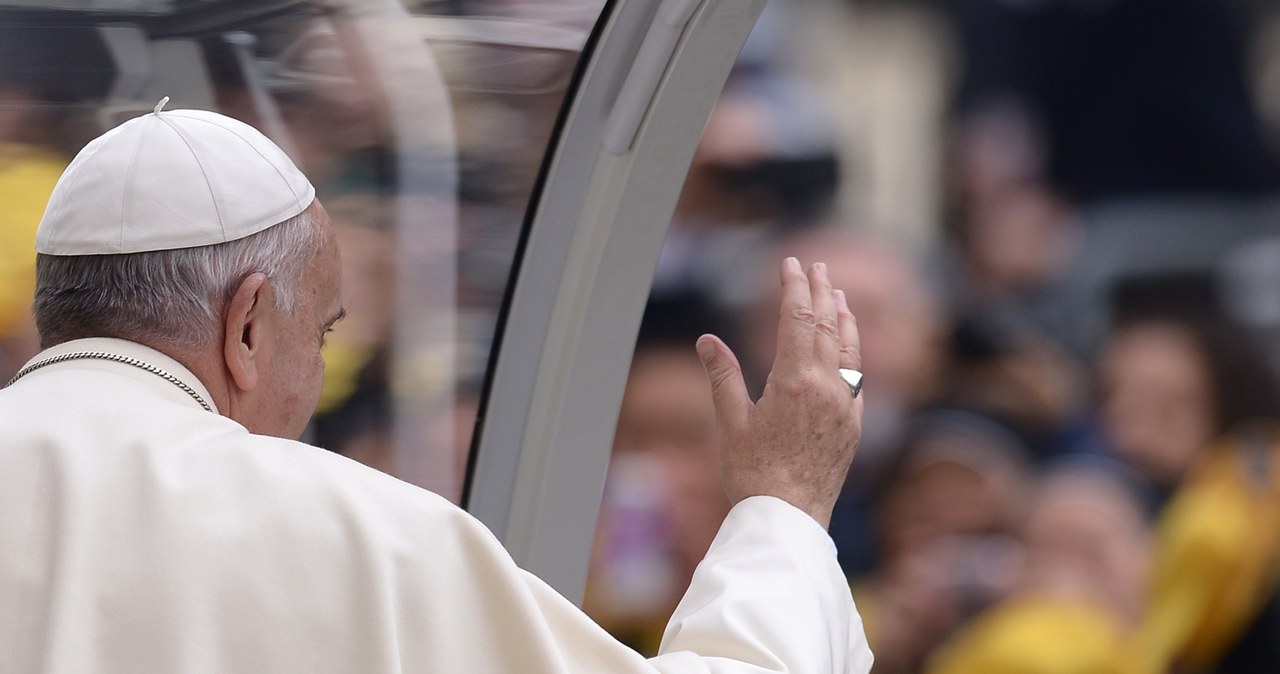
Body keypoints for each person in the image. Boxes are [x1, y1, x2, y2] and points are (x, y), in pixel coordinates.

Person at [0, 104, 873, 672]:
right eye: (324, 334)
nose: (316, 377)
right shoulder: (359, 536)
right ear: (250, 326)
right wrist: (784, 508)